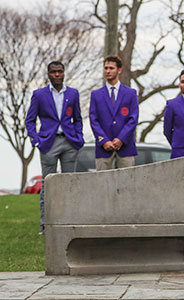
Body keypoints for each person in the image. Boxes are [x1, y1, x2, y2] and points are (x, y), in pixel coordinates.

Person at [25, 61, 84, 234]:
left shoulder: (73, 94)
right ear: (48, 74)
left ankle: (68, 223)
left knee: (69, 183)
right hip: (48, 143)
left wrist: (78, 136)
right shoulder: (39, 95)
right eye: (53, 72)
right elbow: (30, 121)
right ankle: (45, 225)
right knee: (47, 184)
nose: (57, 74)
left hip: (69, 142)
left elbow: (78, 118)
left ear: (64, 73)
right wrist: (36, 140)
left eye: (60, 71)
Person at [89, 55, 139, 170]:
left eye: (111, 68)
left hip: (126, 147)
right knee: (102, 183)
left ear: (119, 70)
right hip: (103, 149)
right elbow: (93, 120)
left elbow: (133, 119)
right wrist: (104, 140)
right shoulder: (96, 95)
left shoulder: (130, 93)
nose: (108, 71)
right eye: (106, 68)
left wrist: (121, 139)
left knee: (127, 183)